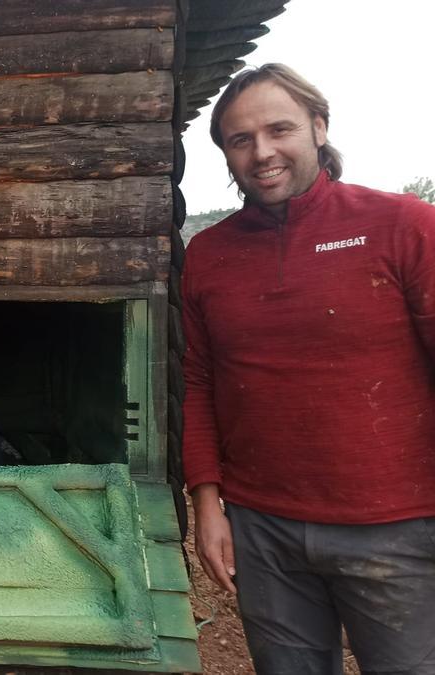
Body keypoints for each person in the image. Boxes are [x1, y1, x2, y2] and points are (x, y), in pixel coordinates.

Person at [183, 63, 435, 674]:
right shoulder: (208, 255)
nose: (261, 152)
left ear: (318, 128)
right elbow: (199, 384)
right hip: (262, 528)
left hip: (395, 525)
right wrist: (208, 505)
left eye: (279, 130)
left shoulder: (403, 225)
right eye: (240, 140)